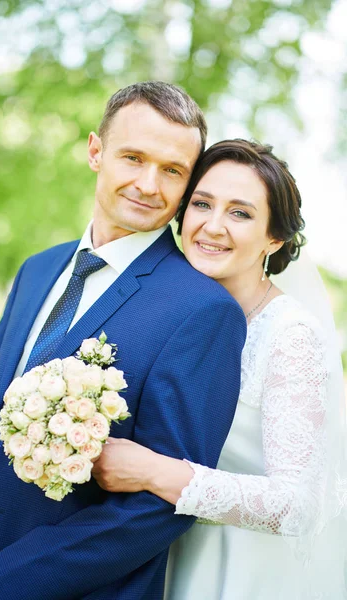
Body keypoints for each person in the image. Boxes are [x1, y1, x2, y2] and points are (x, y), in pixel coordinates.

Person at [0, 83, 247, 600]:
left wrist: (3, 580)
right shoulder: (37, 270)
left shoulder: (203, 310)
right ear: (95, 152)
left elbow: (162, 504)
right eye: (133, 157)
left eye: (172, 170)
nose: (149, 185)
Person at [90, 139, 347, 599]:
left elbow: (299, 505)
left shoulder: (291, 337)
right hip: (155, 553)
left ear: (275, 238)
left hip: (242, 573)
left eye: (240, 213)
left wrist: (152, 472)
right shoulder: (174, 312)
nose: (212, 226)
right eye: (202, 204)